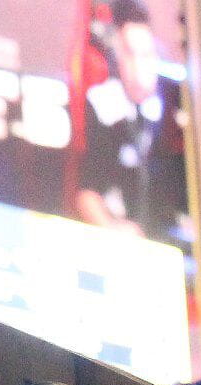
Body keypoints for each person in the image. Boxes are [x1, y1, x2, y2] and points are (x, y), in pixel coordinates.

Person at [74, 0, 163, 236]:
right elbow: (87, 193)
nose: (139, 67)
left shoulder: (171, 106)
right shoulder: (103, 106)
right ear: (117, 56)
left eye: (147, 55)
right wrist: (115, 231)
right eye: (130, 55)